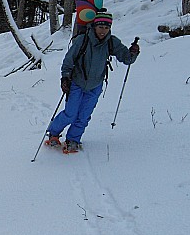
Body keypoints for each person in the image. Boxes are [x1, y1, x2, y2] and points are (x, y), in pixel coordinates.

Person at [46, 10, 139, 153]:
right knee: (71, 114)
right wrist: (65, 77)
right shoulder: (82, 40)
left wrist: (133, 52)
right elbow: (68, 61)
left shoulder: (111, 42)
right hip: (76, 83)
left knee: (84, 116)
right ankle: (53, 133)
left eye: (107, 27)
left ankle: (73, 140)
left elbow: (127, 59)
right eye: (101, 27)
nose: (103, 31)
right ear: (94, 26)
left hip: (95, 86)